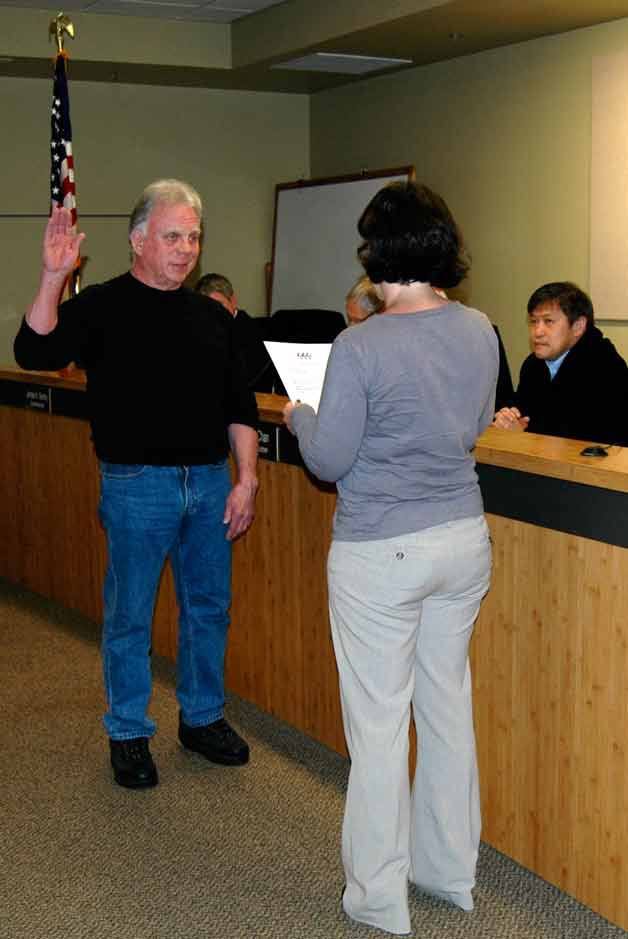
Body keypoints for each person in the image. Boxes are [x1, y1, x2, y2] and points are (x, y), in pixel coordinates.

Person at [283, 181, 498, 935]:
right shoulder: (480, 328)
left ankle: (378, 897)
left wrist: (298, 413)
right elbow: (472, 425)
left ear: (377, 253)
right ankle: (448, 873)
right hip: (462, 541)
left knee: (378, 727)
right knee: (446, 708)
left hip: (382, 548)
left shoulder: (361, 343)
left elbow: (332, 459)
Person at [14, 179, 259, 789]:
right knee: (130, 615)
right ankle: (128, 730)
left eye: (194, 237)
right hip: (135, 484)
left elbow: (240, 404)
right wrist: (51, 277)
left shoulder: (213, 317)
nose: (185, 250)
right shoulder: (102, 306)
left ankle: (202, 719)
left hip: (208, 483)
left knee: (208, 609)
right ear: (137, 240)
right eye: (172, 236)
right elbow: (34, 350)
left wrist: (247, 478)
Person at [493, 282, 628, 444]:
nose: (537, 332)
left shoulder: (606, 367)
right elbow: (522, 415)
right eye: (534, 321)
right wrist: (507, 420)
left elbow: (593, 441)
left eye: (548, 321)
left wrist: (525, 434)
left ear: (578, 326)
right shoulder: (533, 365)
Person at [195, 272, 272, 389]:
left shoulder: (253, 333)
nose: (212, 312)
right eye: (205, 307)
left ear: (233, 301)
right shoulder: (202, 330)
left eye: (219, 305)